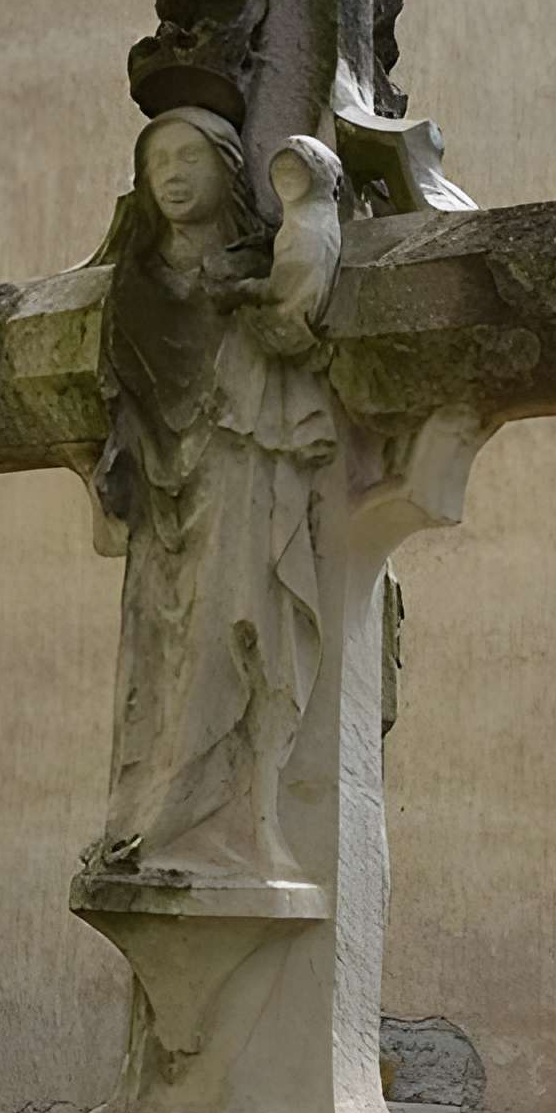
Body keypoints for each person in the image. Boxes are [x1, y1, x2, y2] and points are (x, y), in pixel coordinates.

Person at [89, 108, 337, 884]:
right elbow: (117, 396)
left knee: (245, 639)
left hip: (242, 477)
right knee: (159, 661)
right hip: (163, 508)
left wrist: (302, 225)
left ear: (227, 170)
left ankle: (240, 824)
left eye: (190, 155)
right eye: (157, 158)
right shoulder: (131, 290)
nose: (172, 172)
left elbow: (293, 324)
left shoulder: (253, 269)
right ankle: (147, 818)